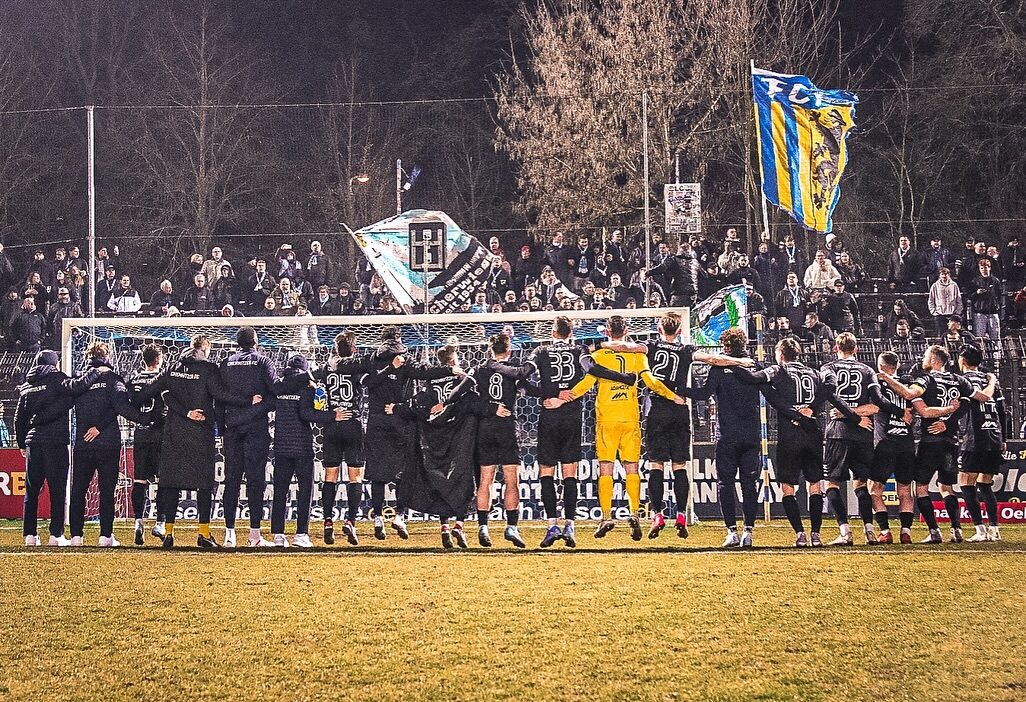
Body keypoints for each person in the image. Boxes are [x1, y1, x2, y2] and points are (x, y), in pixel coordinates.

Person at [605, 311, 752, 539]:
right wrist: (739, 361)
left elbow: (624, 347)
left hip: (655, 410)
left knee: (656, 466)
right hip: (679, 409)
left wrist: (604, 343)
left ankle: (658, 515)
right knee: (679, 466)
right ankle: (682, 515)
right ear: (680, 331)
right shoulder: (686, 350)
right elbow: (714, 359)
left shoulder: (650, 346)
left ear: (659, 329)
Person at [556, 315, 684, 541]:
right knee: (632, 469)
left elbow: (585, 385)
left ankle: (606, 517)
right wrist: (673, 396)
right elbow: (652, 382)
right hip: (630, 419)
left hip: (606, 419)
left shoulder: (598, 355)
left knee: (605, 469)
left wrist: (562, 398)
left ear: (606, 332)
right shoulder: (637, 355)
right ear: (626, 330)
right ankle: (634, 513)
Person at [520, 316, 635, 548]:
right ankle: (570, 526)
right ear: (571, 332)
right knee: (569, 473)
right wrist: (624, 378)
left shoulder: (541, 351)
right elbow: (591, 368)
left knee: (546, 473)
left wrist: (547, 395)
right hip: (572, 416)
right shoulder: (579, 349)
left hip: (549, 415)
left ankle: (552, 525)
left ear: (553, 333)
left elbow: (522, 380)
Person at [138, 335, 257, 549]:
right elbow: (221, 395)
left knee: (171, 483)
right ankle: (203, 534)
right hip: (200, 432)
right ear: (206, 349)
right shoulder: (208, 369)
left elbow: (148, 391)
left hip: (174, 433)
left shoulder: (173, 368)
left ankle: (169, 534)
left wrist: (139, 399)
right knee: (204, 485)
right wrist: (248, 400)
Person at [390, 346, 509, 549]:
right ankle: (459, 525)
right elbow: (471, 402)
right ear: (453, 361)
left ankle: (444, 527)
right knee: (464, 481)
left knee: (441, 484)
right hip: (460, 439)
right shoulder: (461, 379)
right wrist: (492, 408)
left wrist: (397, 408)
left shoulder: (430, 382)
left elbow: (418, 405)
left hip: (435, 441)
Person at [878, 345, 995, 544]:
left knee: (921, 488)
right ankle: (956, 530)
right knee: (947, 487)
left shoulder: (926, 379)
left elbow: (908, 394)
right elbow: (983, 397)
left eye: (925, 355)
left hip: (930, 441)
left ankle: (934, 531)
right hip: (952, 441)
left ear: (933, 359)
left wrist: (886, 377)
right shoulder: (959, 380)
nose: (923, 358)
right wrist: (992, 380)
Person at [361, 327, 456, 540]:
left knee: (381, 473)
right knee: (402, 472)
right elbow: (425, 372)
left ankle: (382, 517)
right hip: (398, 421)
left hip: (382, 421)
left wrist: (448, 371)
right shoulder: (397, 360)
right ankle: (397, 516)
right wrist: (450, 370)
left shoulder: (374, 359)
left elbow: (423, 372)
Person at [677, 328, 764, 547]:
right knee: (749, 483)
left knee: (725, 483)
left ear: (725, 346)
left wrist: (681, 390)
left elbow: (704, 394)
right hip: (752, 433)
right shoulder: (753, 365)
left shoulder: (718, 368)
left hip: (726, 434)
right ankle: (748, 532)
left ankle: (731, 531)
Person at [15, 350, 101, 546]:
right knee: (57, 489)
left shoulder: (27, 385)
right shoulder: (57, 379)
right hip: (55, 442)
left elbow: (19, 419)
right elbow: (77, 386)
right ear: (54, 363)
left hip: (33, 443)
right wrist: (95, 371)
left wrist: (22, 443)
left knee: (31, 491)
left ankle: (29, 535)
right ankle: (56, 535)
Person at [69, 342, 150, 547]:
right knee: (107, 489)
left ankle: (76, 536)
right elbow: (122, 407)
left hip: (82, 442)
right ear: (107, 357)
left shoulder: (80, 380)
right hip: (107, 442)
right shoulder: (112, 379)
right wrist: (146, 419)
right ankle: (105, 535)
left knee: (79, 489)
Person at [265, 354, 348, 547]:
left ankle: (278, 535)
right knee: (305, 492)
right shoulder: (308, 388)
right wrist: (332, 415)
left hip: (281, 446)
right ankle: (301, 534)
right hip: (302, 447)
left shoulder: (279, 388)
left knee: (280, 491)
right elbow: (306, 414)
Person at [818, 333, 886, 545]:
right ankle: (869, 530)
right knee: (861, 484)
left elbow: (829, 395)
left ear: (835, 349)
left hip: (838, 432)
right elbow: (876, 405)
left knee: (831, 483)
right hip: (864, 433)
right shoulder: (868, 371)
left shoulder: (828, 368)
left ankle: (845, 532)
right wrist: (858, 416)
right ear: (856, 349)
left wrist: (847, 414)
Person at [313, 331, 380, 546]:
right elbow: (371, 380)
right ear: (353, 349)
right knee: (355, 477)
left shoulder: (326, 369)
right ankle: (351, 521)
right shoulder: (357, 370)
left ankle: (328, 522)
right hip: (352, 423)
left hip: (332, 424)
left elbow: (311, 379)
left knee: (330, 476)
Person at [219, 327, 279, 548]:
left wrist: (221, 426)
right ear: (256, 342)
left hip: (232, 427)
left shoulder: (226, 363)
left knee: (231, 480)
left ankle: (229, 534)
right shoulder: (263, 362)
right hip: (256, 427)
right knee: (255, 481)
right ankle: (254, 535)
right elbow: (276, 392)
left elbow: (220, 397)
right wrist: (258, 407)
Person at [473, 333, 533, 548]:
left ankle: (483, 526)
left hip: (485, 427)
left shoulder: (480, 370)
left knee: (485, 479)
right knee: (511, 479)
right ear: (509, 350)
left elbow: (471, 400)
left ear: (490, 350)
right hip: (507, 427)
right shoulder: (513, 371)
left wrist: (490, 408)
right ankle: (512, 527)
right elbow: (531, 389)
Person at [957, 345, 1009, 542]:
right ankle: (994, 529)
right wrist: (1003, 438)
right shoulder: (991, 381)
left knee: (965, 481)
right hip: (994, 437)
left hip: (973, 439)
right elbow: (1003, 411)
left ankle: (980, 530)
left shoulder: (962, 381)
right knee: (985, 484)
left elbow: (960, 409)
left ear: (962, 361)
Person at [868, 352, 918, 544]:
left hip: (885, 443)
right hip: (906, 443)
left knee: (875, 488)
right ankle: (906, 531)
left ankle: (885, 531)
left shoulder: (877, 383)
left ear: (881, 366)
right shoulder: (909, 383)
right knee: (905, 489)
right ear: (897, 366)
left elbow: (878, 404)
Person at [126, 344, 169, 545]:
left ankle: (138, 522)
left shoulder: (133, 380)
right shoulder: (162, 380)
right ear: (158, 360)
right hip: (160, 435)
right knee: (162, 481)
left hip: (140, 434)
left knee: (140, 481)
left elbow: (129, 405)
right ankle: (160, 523)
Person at [968, 257, 1002, 346]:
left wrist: (997, 307)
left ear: (989, 268)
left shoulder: (996, 281)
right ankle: (980, 357)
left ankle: (997, 358)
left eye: (986, 268)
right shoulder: (974, 281)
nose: (984, 270)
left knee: (996, 337)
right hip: (979, 313)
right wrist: (976, 293)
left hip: (993, 313)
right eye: (982, 268)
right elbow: (970, 296)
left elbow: (999, 296)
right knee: (979, 338)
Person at [928, 267, 963, 336]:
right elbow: (931, 300)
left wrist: (958, 312)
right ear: (939, 275)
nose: (944, 276)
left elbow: (958, 299)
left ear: (949, 275)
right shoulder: (935, 286)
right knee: (941, 335)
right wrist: (934, 312)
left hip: (952, 315)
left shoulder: (954, 285)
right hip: (940, 315)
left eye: (946, 274)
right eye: (942, 274)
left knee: (954, 334)